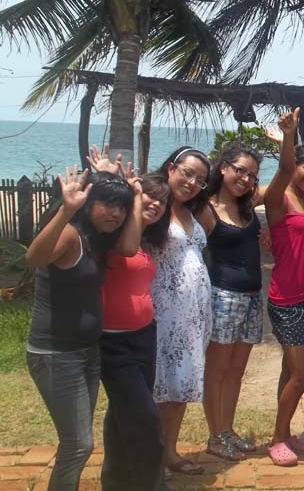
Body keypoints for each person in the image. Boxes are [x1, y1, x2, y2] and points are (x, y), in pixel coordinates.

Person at [26, 166, 138, 491]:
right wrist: (66, 210)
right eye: (109, 205)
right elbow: (35, 257)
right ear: (88, 204)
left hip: (86, 351)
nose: (116, 213)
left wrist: (134, 194)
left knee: (76, 443)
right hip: (55, 354)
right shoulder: (70, 233)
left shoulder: (96, 239)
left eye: (121, 208)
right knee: (78, 444)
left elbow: (130, 248)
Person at [97, 168, 171, 491]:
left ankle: (116, 482)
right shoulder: (116, 234)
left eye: (162, 202)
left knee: (120, 417)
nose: (156, 204)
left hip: (143, 337)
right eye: (150, 196)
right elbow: (126, 250)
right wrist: (134, 196)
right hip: (114, 344)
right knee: (145, 419)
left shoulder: (144, 239)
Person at [264, 108, 304, 466]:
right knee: (303, 375)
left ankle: (285, 432)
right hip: (286, 299)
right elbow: (284, 170)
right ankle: (277, 438)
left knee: (290, 372)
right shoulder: (279, 199)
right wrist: (288, 138)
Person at [197, 143, 264, 461]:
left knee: (236, 371)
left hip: (252, 298)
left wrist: (286, 143)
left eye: (252, 175)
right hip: (222, 297)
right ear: (223, 167)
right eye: (240, 170)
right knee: (217, 370)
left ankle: (227, 429)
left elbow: (285, 177)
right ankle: (215, 435)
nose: (245, 179)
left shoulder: (247, 206)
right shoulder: (205, 209)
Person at [151, 146, 213, 475]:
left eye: (200, 180)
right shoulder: (154, 208)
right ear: (171, 168)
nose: (192, 183)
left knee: (180, 385)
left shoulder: (192, 211)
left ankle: (170, 451)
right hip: (162, 314)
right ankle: (151, 455)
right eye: (187, 174)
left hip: (192, 316)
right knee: (160, 388)